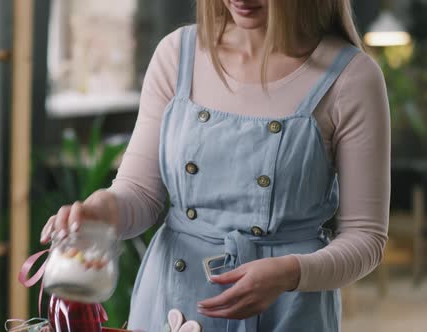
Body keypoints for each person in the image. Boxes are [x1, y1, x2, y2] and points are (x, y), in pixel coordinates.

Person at [40, 0, 390, 330]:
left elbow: (366, 238)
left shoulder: (351, 78)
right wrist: (101, 212)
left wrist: (291, 273)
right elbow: (140, 193)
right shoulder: (177, 55)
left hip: (288, 307)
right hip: (172, 301)